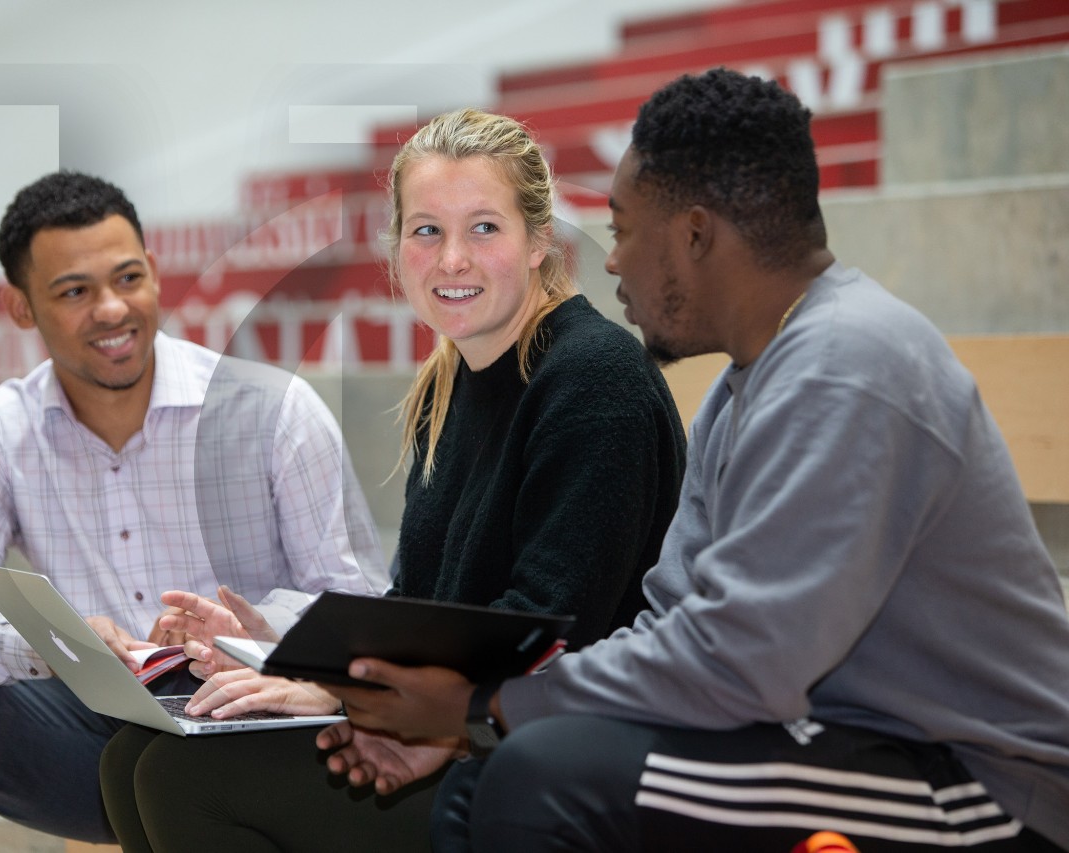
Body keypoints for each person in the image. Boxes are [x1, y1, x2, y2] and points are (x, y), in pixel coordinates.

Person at [319, 69, 1069, 852]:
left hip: (983, 783)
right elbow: (673, 620)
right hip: (836, 738)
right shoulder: (746, 386)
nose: (611, 265)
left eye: (624, 230)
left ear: (695, 235)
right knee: (492, 773)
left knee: (540, 778)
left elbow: (747, 660)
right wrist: (482, 719)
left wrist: (487, 704)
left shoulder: (846, 362)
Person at [98, 107, 688, 852]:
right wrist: (280, 647)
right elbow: (421, 609)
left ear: (540, 239)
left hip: (548, 755)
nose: (451, 261)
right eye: (427, 231)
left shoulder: (593, 380)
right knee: (127, 758)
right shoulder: (451, 383)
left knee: (183, 778)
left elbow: (542, 629)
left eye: (484, 227)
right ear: (397, 247)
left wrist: (340, 693)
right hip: (456, 723)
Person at [0, 170, 387, 852]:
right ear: (21, 307)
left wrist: (252, 630)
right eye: (74, 291)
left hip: (252, 726)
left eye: (128, 278)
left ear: (155, 272)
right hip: (89, 731)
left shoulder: (272, 410)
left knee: (173, 765)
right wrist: (51, 639)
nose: (111, 309)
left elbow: (360, 604)